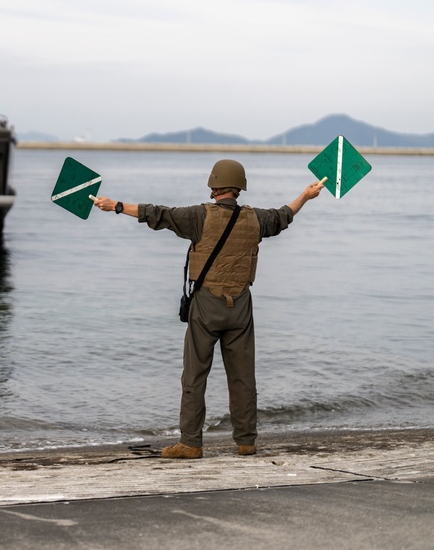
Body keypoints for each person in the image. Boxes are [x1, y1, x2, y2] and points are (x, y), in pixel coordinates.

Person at [92, 160, 324, 459]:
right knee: (242, 377)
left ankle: (190, 442)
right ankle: (246, 441)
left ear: (213, 186)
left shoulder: (198, 216)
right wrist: (305, 195)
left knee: (195, 375)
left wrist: (117, 205)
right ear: (239, 186)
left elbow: (156, 213)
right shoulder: (257, 219)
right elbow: (284, 216)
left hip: (206, 306)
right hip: (241, 306)